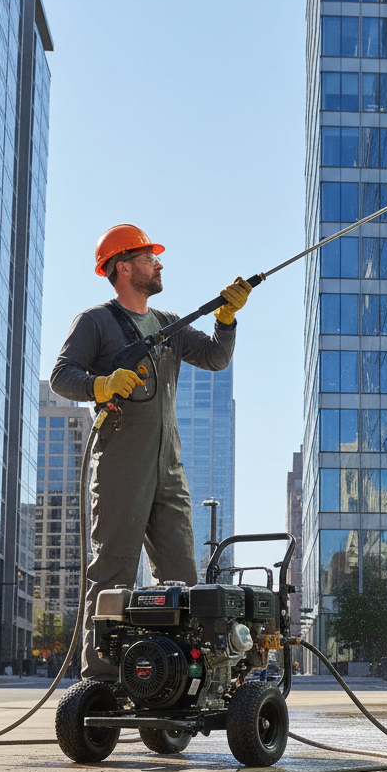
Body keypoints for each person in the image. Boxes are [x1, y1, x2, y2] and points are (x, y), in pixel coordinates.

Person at [49, 224, 252, 681]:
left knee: (183, 579)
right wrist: (99, 385)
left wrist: (226, 320)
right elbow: (62, 375)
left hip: (169, 466)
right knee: (112, 574)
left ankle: (172, 679)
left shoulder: (168, 325)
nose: (158, 264)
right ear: (123, 267)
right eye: (148, 258)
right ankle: (99, 681)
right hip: (121, 464)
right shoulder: (95, 321)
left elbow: (217, 358)